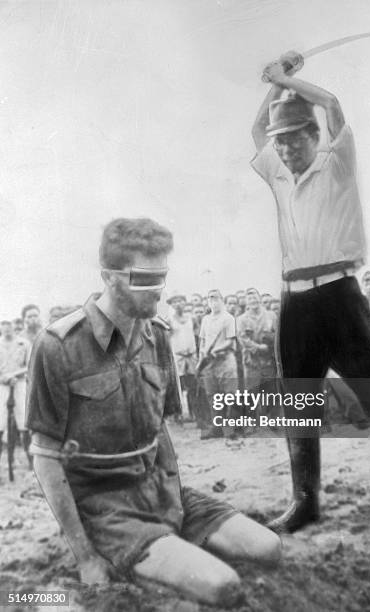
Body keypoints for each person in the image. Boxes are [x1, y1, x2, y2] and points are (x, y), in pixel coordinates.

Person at [26, 218, 280, 606]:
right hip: (105, 507)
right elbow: (45, 458)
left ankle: (165, 547)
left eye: (161, 277)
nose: (159, 290)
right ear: (110, 277)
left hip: (159, 490)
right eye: (145, 279)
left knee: (268, 548)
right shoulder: (58, 345)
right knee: (222, 586)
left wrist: (173, 501)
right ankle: (137, 558)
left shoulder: (156, 334)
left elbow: (159, 426)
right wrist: (86, 557)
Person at [250, 50, 370, 532]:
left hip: (340, 297)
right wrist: (278, 84)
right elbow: (257, 133)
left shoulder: (336, 164)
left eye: (296, 138)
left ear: (316, 137)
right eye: (283, 142)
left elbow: (333, 103)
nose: (288, 148)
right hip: (295, 303)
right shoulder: (278, 174)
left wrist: (288, 79)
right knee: (300, 403)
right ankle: (305, 503)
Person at [198, 290, 239, 439]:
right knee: (213, 396)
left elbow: (230, 341)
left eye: (216, 299)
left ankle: (231, 430)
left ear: (222, 300)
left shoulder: (228, 318)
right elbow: (202, 339)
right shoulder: (205, 320)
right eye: (210, 299)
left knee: (230, 395)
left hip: (225, 360)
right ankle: (217, 428)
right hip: (209, 363)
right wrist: (202, 354)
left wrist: (216, 349)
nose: (213, 302)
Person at [0, 320, 32, 466]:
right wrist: (4, 378)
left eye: (9, 328)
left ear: (14, 328)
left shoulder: (23, 343)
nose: (7, 331)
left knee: (23, 421)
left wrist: (15, 375)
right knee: (0, 422)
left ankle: (31, 461)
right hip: (2, 384)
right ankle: (4, 461)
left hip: (19, 384)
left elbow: (30, 365)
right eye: (3, 328)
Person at [236, 289, 277, 393]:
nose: (253, 300)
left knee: (270, 396)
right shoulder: (241, 319)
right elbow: (243, 338)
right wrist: (258, 348)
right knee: (252, 396)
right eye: (249, 298)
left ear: (260, 298)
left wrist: (270, 346)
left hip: (268, 363)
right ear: (246, 302)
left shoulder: (271, 315)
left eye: (255, 297)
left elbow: (277, 334)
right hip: (251, 364)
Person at [167, 292, 198, 423]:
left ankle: (194, 413)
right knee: (177, 386)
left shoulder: (192, 318)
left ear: (185, 303)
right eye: (175, 302)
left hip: (191, 356)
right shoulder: (169, 320)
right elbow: (166, 338)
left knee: (193, 384)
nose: (178, 304)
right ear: (172, 305)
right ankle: (177, 414)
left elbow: (196, 335)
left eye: (180, 301)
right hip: (177, 356)